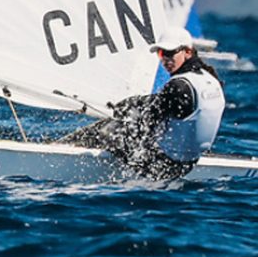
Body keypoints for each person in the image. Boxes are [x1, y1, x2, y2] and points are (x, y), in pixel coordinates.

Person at [68, 27, 225, 180]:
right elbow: (167, 104)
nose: (165, 60)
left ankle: (61, 148)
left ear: (188, 52)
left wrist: (124, 114)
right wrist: (133, 103)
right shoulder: (209, 79)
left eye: (170, 53)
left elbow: (147, 120)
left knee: (106, 129)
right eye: (161, 53)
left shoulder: (179, 86)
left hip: (162, 166)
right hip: (190, 163)